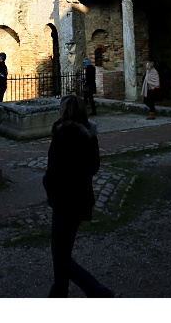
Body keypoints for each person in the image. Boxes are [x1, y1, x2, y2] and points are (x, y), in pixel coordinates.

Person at [42, 95, 114, 297]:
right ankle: (59, 292)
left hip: (65, 199)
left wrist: (48, 185)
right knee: (63, 250)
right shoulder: (89, 134)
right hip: (82, 196)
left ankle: (99, 292)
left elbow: (54, 169)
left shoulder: (63, 134)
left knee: (60, 254)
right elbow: (94, 166)